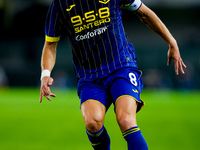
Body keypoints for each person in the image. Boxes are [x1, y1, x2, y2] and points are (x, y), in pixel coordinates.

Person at [40, 0, 186, 149]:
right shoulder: (60, 4)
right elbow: (50, 44)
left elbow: (145, 13)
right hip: (89, 75)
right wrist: (45, 74)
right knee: (92, 123)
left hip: (121, 66)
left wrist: (171, 41)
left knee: (126, 120)